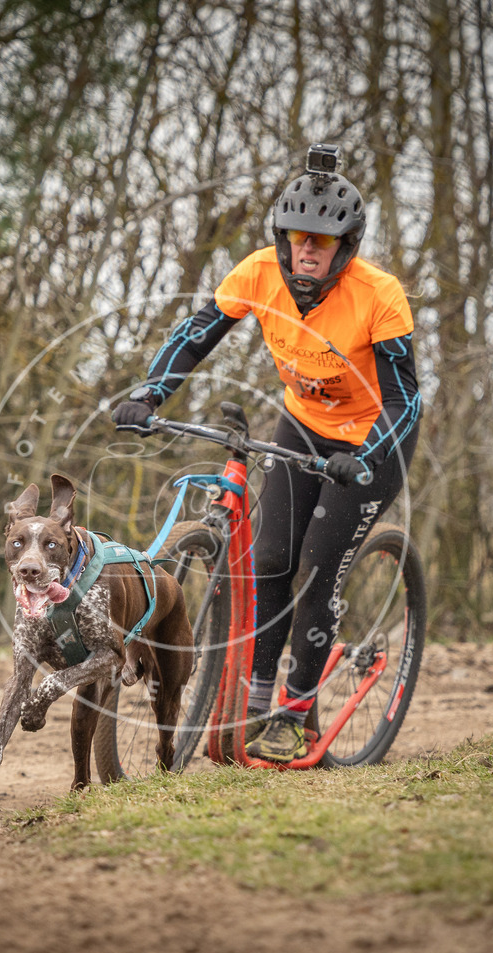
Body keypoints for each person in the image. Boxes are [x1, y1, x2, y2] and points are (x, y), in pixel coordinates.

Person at [113, 144, 421, 763]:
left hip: (370, 441)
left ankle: (297, 712)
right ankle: (254, 705)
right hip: (302, 426)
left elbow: (405, 399)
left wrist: (364, 456)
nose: (308, 250)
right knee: (271, 558)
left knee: (315, 565)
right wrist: (151, 391)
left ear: (346, 248)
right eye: (298, 238)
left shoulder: (379, 295)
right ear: (282, 239)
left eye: (323, 242)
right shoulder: (257, 273)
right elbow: (197, 334)